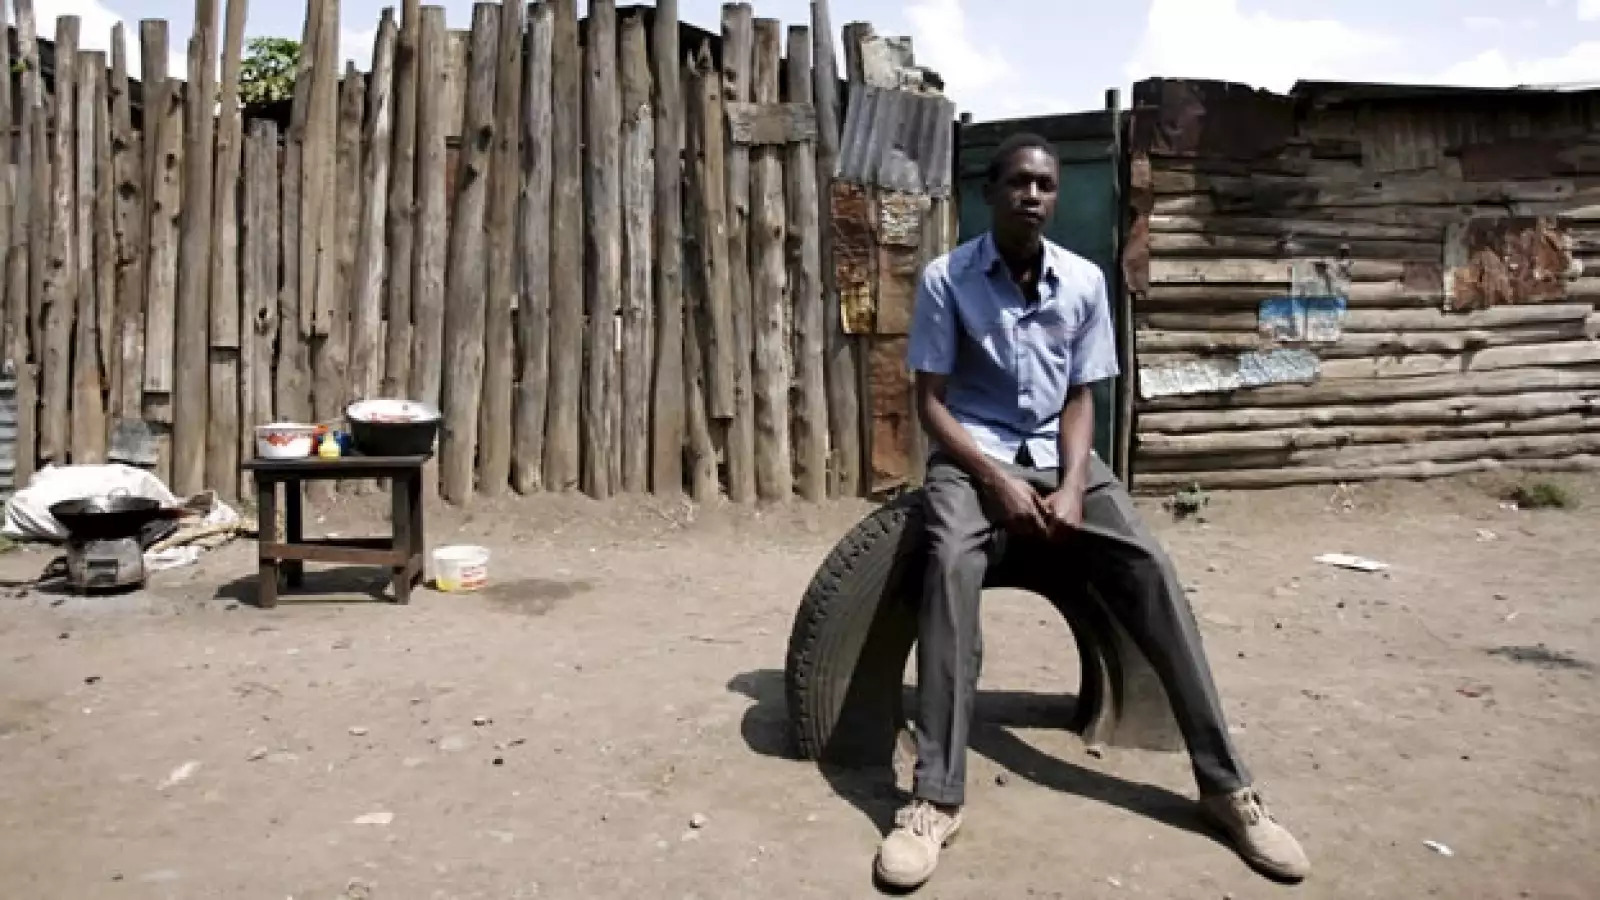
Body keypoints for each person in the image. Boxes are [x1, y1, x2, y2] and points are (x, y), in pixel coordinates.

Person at [873, 132, 1310, 890]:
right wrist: (996, 481)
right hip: (973, 454)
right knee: (946, 567)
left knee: (1150, 568)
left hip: (1060, 453)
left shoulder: (1081, 282)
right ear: (991, 192)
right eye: (1018, 182)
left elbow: (1082, 397)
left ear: (1055, 195)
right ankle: (935, 800)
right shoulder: (948, 278)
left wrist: (1073, 486)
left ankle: (1227, 789)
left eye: (1045, 184)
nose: (1033, 195)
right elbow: (930, 404)